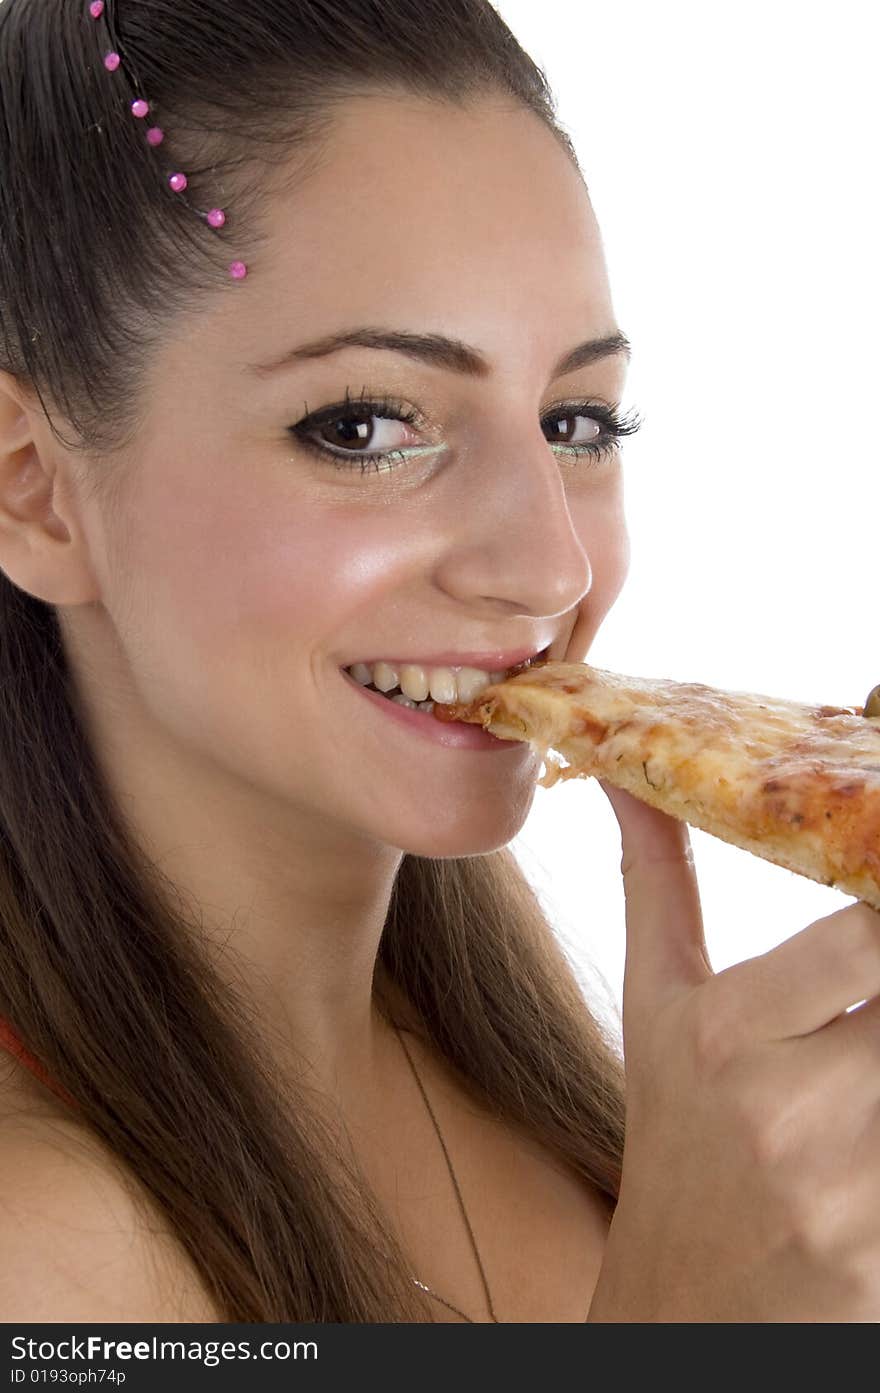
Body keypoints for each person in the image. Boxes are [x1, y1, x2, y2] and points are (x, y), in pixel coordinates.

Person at [0, 0, 878, 1325]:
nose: (549, 568)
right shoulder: (43, 1256)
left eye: (578, 419)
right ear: (35, 494)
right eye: (365, 424)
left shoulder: (584, 1103)